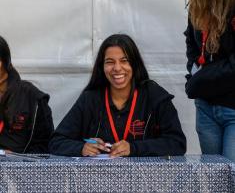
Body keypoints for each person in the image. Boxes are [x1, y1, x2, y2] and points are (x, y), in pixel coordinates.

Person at [49, 34, 186, 157]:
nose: (117, 68)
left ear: (135, 64)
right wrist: (81, 148)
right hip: (98, 180)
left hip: (146, 181)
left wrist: (133, 148)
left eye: (124, 60)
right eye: (110, 62)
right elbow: (56, 142)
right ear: (102, 67)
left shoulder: (155, 95)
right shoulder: (90, 98)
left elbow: (177, 143)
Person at [181, 0, 235, 161]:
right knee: (214, 179)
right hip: (205, 107)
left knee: (231, 177)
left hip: (233, 108)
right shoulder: (199, 1)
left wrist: (198, 80)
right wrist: (192, 71)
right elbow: (191, 42)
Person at [0, 36, 54, 153]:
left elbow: (46, 144)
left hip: (19, 168)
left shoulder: (32, 97)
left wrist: (17, 159)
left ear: (2, 62)